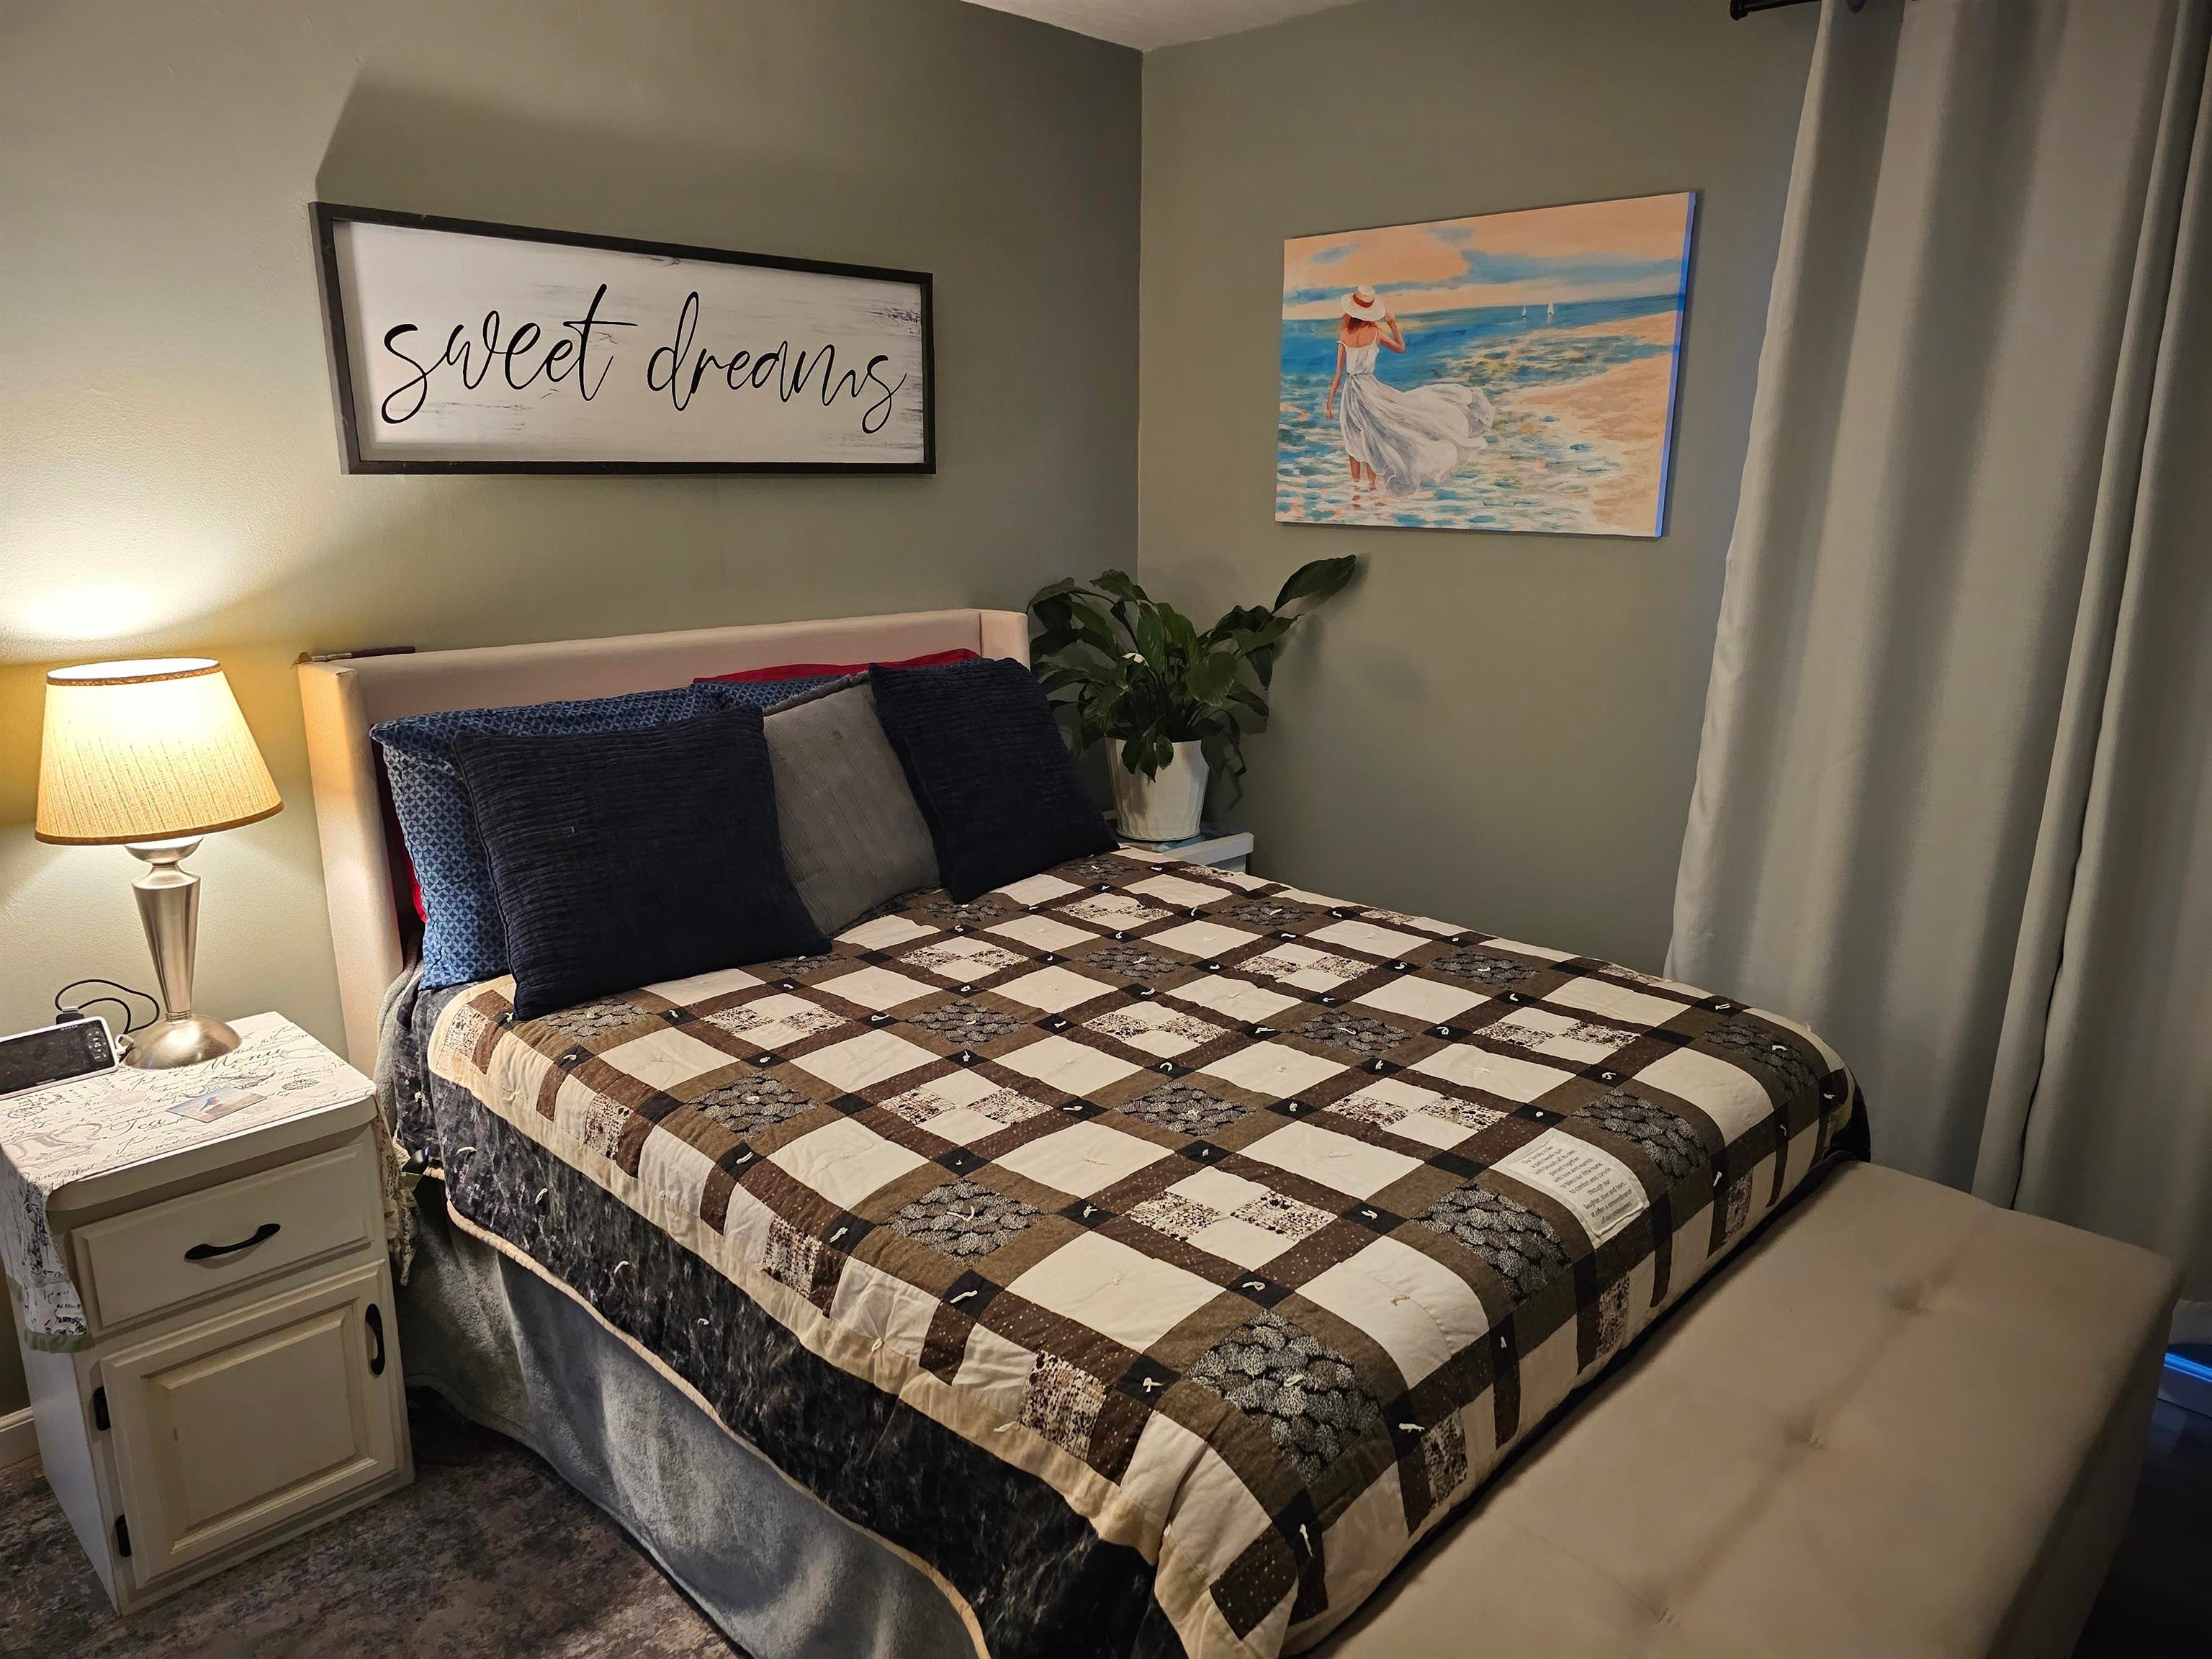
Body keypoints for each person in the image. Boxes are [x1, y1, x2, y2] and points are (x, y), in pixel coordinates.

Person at [1323, 286, 1493, 495]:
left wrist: (1330, 402)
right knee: (1373, 436)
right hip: (1370, 389)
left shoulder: (1345, 334)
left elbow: (1338, 374)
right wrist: (1393, 324)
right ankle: (1371, 488)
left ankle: (1357, 494)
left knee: (1353, 439)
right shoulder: (1376, 333)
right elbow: (1400, 348)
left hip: (1352, 390)